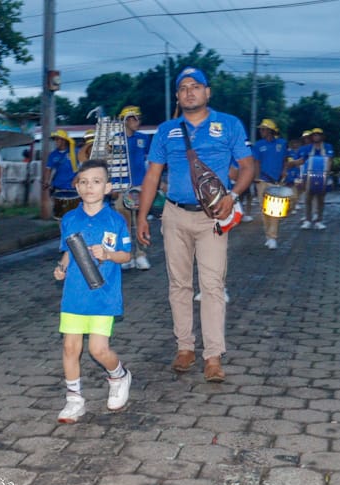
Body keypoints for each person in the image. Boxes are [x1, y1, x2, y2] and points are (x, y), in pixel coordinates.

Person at [135, 67, 254, 383]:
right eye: (183, 88)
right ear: (177, 96)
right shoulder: (166, 131)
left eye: (196, 86)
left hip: (213, 218)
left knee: (212, 285)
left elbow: (247, 165)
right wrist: (141, 216)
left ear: (207, 92)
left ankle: (213, 356)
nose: (189, 92)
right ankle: (184, 346)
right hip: (174, 215)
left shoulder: (228, 124)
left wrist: (235, 193)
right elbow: (152, 175)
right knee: (179, 284)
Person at [52, 159, 132, 423]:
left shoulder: (116, 220)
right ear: (77, 186)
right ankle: (74, 400)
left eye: (96, 182)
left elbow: (126, 255)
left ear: (107, 187)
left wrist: (108, 254)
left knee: (98, 350)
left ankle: (119, 376)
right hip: (74, 295)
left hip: (103, 295)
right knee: (69, 347)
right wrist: (62, 267)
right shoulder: (69, 218)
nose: (89, 187)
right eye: (83, 182)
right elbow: (67, 250)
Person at [115, 105, 152, 270]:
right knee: (124, 224)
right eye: (134, 118)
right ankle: (126, 255)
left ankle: (141, 255)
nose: (138, 122)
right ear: (126, 121)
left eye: (138, 118)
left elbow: (153, 162)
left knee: (140, 221)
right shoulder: (115, 140)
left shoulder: (144, 138)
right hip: (122, 187)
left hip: (140, 186)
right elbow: (110, 165)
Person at [252, 118, 288, 250]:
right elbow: (256, 162)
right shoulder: (258, 145)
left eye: (263, 129)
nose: (261, 131)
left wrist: (284, 171)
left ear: (270, 130)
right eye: (260, 129)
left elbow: (285, 160)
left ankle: (273, 237)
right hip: (262, 181)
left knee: (275, 211)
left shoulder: (282, 144)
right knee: (265, 211)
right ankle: (268, 235)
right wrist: (256, 178)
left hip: (276, 182)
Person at [293, 128, 334, 230]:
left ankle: (319, 220)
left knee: (321, 199)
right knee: (308, 198)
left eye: (318, 135)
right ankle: (307, 220)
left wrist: (327, 176)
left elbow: (329, 160)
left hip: (323, 176)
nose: (316, 137)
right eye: (314, 135)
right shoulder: (307, 148)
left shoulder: (328, 147)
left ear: (322, 136)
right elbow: (301, 161)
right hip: (308, 176)